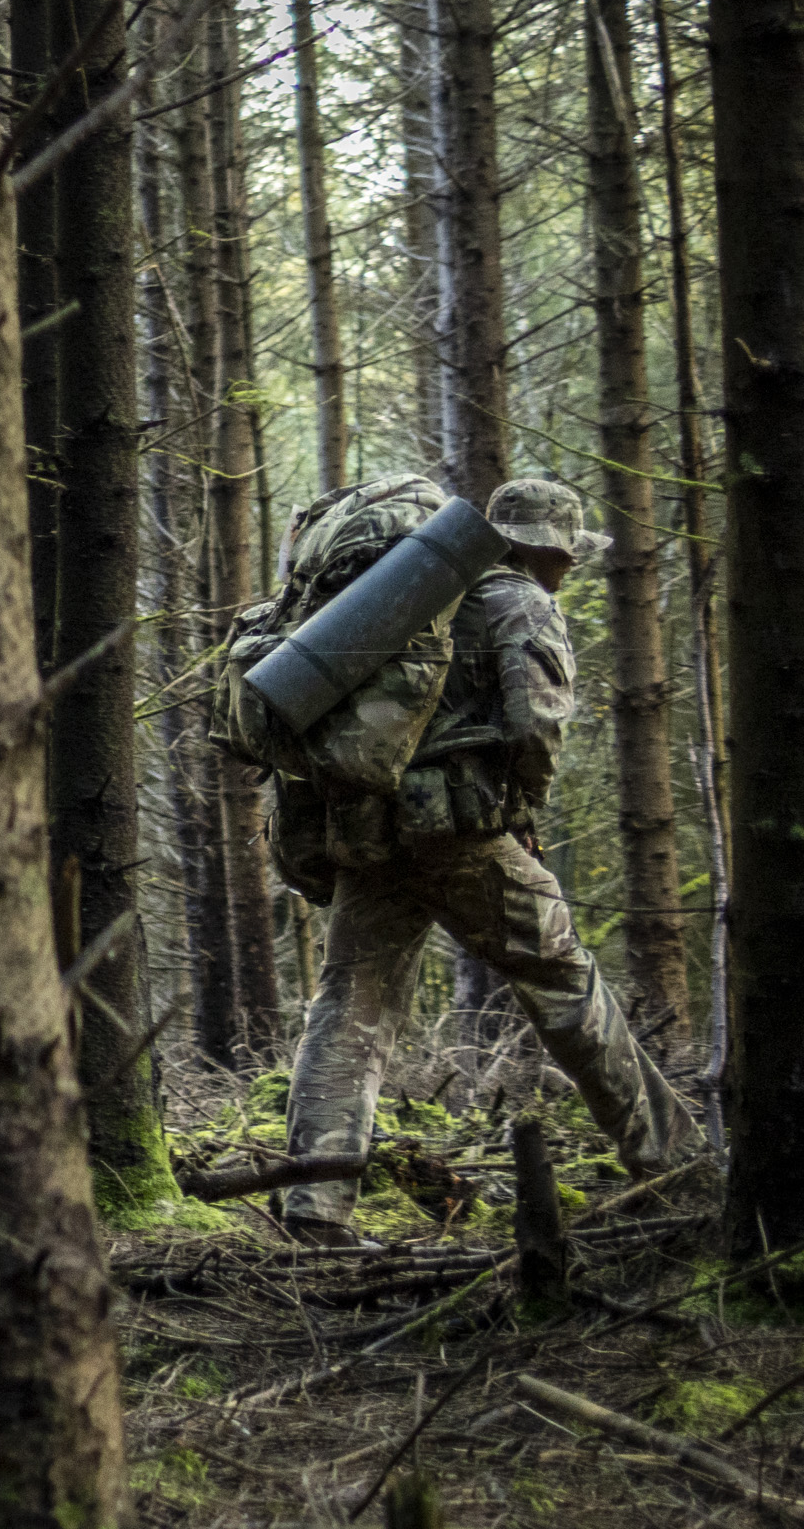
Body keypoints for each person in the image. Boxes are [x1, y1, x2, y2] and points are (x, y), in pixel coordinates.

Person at [277, 477, 690, 1239]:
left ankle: (313, 1203)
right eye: (568, 557)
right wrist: (521, 812)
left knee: (349, 1007)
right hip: (464, 836)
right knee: (565, 981)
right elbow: (536, 726)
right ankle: (674, 1164)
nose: (570, 570)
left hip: (370, 834)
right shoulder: (522, 602)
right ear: (547, 549)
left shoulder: (410, 598)